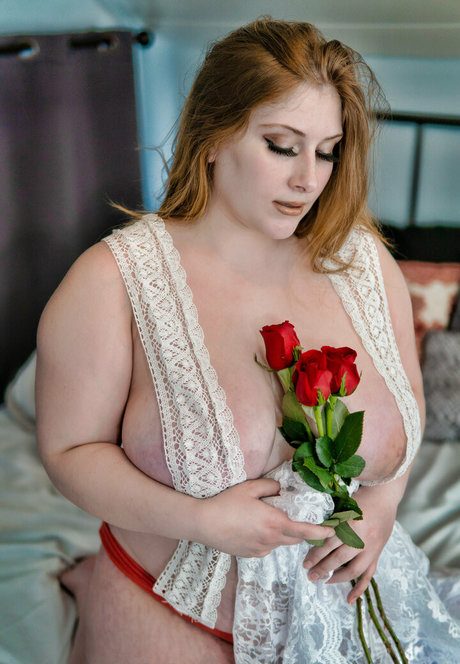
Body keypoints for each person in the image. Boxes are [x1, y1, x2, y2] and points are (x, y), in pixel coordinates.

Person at [35, 18, 460, 664]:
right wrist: (199, 521)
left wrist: (381, 506)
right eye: (282, 146)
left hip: (346, 622)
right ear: (212, 136)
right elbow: (69, 451)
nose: (308, 180)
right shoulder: (112, 282)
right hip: (166, 610)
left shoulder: (366, 263)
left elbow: (409, 407)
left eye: (327, 151)